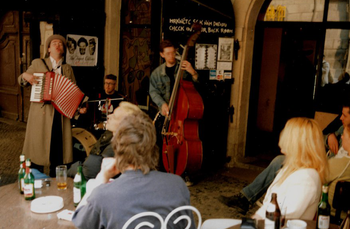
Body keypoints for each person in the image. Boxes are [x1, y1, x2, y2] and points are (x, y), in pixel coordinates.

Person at [72, 102, 194, 229]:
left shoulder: (103, 196)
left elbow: (78, 224)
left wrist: (102, 178)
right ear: (152, 145)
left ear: (116, 148)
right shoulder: (177, 185)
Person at [220, 103, 350, 215]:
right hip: (317, 168)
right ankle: (245, 198)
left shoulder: (309, 179)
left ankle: (245, 199)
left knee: (280, 161)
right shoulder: (341, 128)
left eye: (344, 115)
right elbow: (321, 135)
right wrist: (329, 136)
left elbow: (278, 218)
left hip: (319, 170)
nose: (340, 118)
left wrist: (247, 226)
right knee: (280, 161)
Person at [18, 34, 83, 177]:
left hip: (60, 115)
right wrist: (25, 76)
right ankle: (34, 180)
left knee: (58, 151)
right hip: (41, 115)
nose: (58, 45)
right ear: (48, 49)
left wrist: (79, 108)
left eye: (61, 44)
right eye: (54, 43)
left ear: (64, 50)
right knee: (37, 151)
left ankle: (55, 185)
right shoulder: (37, 63)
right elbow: (21, 80)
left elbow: (73, 92)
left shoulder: (67, 69)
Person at [250, 117, 329, 220]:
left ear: (296, 142)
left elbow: (280, 215)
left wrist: (249, 224)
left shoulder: (307, 177)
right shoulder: (293, 167)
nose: (282, 136)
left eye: (286, 133)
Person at [149, 39, 199, 176]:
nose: (172, 56)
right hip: (166, 114)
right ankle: (163, 171)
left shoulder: (184, 69)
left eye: (173, 53)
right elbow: (153, 91)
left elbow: (199, 85)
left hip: (182, 115)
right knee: (160, 143)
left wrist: (193, 72)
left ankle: (185, 171)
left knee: (186, 144)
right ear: (162, 55)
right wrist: (162, 104)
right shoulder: (156, 73)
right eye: (168, 53)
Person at [68, 102, 139, 180]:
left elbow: (89, 173)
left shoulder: (116, 147)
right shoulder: (110, 134)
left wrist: (69, 171)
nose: (109, 116)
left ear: (124, 125)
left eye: (114, 117)